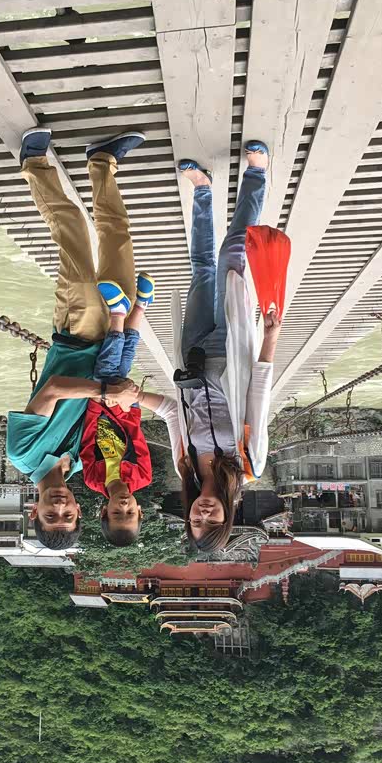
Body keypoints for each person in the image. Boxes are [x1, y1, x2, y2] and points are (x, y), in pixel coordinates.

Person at [137, 141, 283, 554]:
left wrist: (135, 398)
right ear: (227, 518)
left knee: (201, 269)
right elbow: (258, 400)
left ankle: (202, 190)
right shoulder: (248, 465)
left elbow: (172, 411)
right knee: (231, 257)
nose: (203, 513)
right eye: (212, 521)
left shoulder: (185, 465)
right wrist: (270, 338)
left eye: (196, 520)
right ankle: (256, 174)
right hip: (233, 350)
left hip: (192, 356)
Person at [6, 127, 145, 550]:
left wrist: (105, 392)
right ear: (81, 510)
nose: (60, 507)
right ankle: (102, 162)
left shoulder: (22, 454)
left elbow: (53, 390)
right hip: (110, 346)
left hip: (75, 333)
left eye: (51, 516)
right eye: (68, 516)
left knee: (74, 236)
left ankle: (34, 165)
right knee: (118, 240)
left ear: (34, 512)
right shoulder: (81, 463)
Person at [79, 273, 155, 547]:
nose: (124, 506)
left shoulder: (93, 479)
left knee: (118, 369)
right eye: (130, 513)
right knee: (107, 372)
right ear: (140, 511)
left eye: (116, 513)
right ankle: (119, 313)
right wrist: (121, 406)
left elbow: (87, 440)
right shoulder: (142, 476)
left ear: (104, 511)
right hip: (126, 411)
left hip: (100, 410)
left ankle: (141, 305)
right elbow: (135, 435)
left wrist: (97, 404)